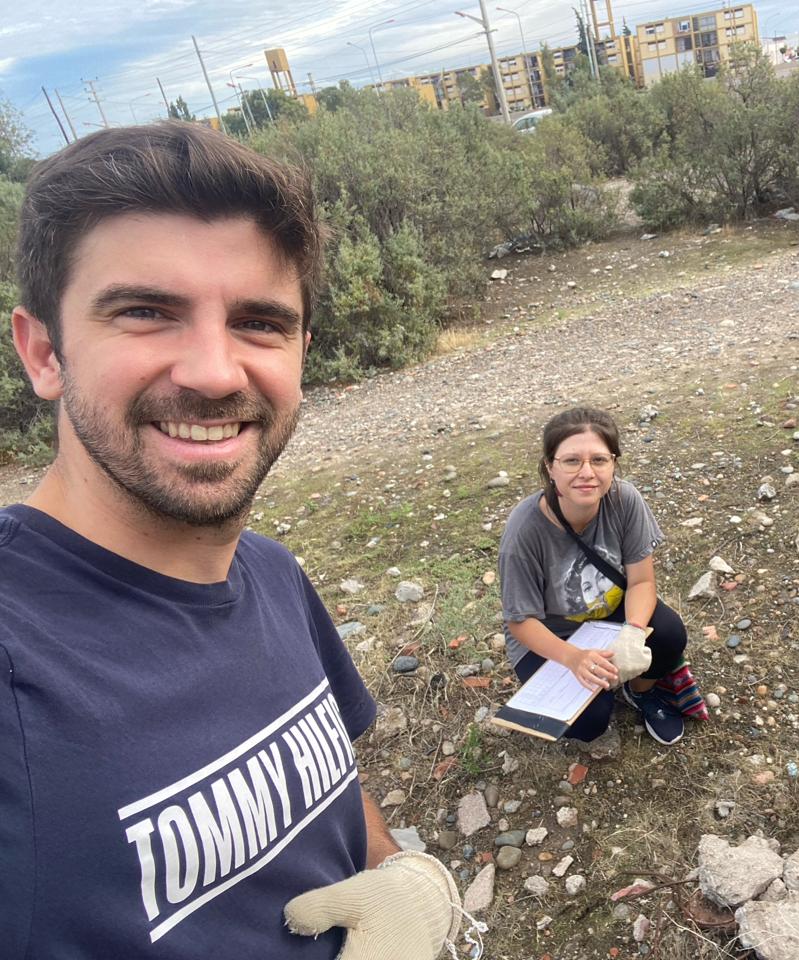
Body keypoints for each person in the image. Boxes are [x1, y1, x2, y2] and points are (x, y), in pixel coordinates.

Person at [0, 123, 459, 959]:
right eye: (146, 312)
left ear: (301, 353)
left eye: (258, 322)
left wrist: (406, 880)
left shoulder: (272, 574)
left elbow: (324, 795)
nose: (214, 372)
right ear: (44, 353)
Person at [499, 406, 689, 745]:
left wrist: (632, 633)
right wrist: (574, 658)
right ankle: (599, 691)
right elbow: (520, 621)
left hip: (608, 614)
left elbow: (642, 581)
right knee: (590, 723)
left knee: (669, 634)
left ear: (613, 463)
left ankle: (640, 692)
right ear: (550, 467)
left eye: (599, 460)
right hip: (552, 633)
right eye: (572, 461)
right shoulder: (524, 530)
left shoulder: (624, 500)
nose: (587, 472)